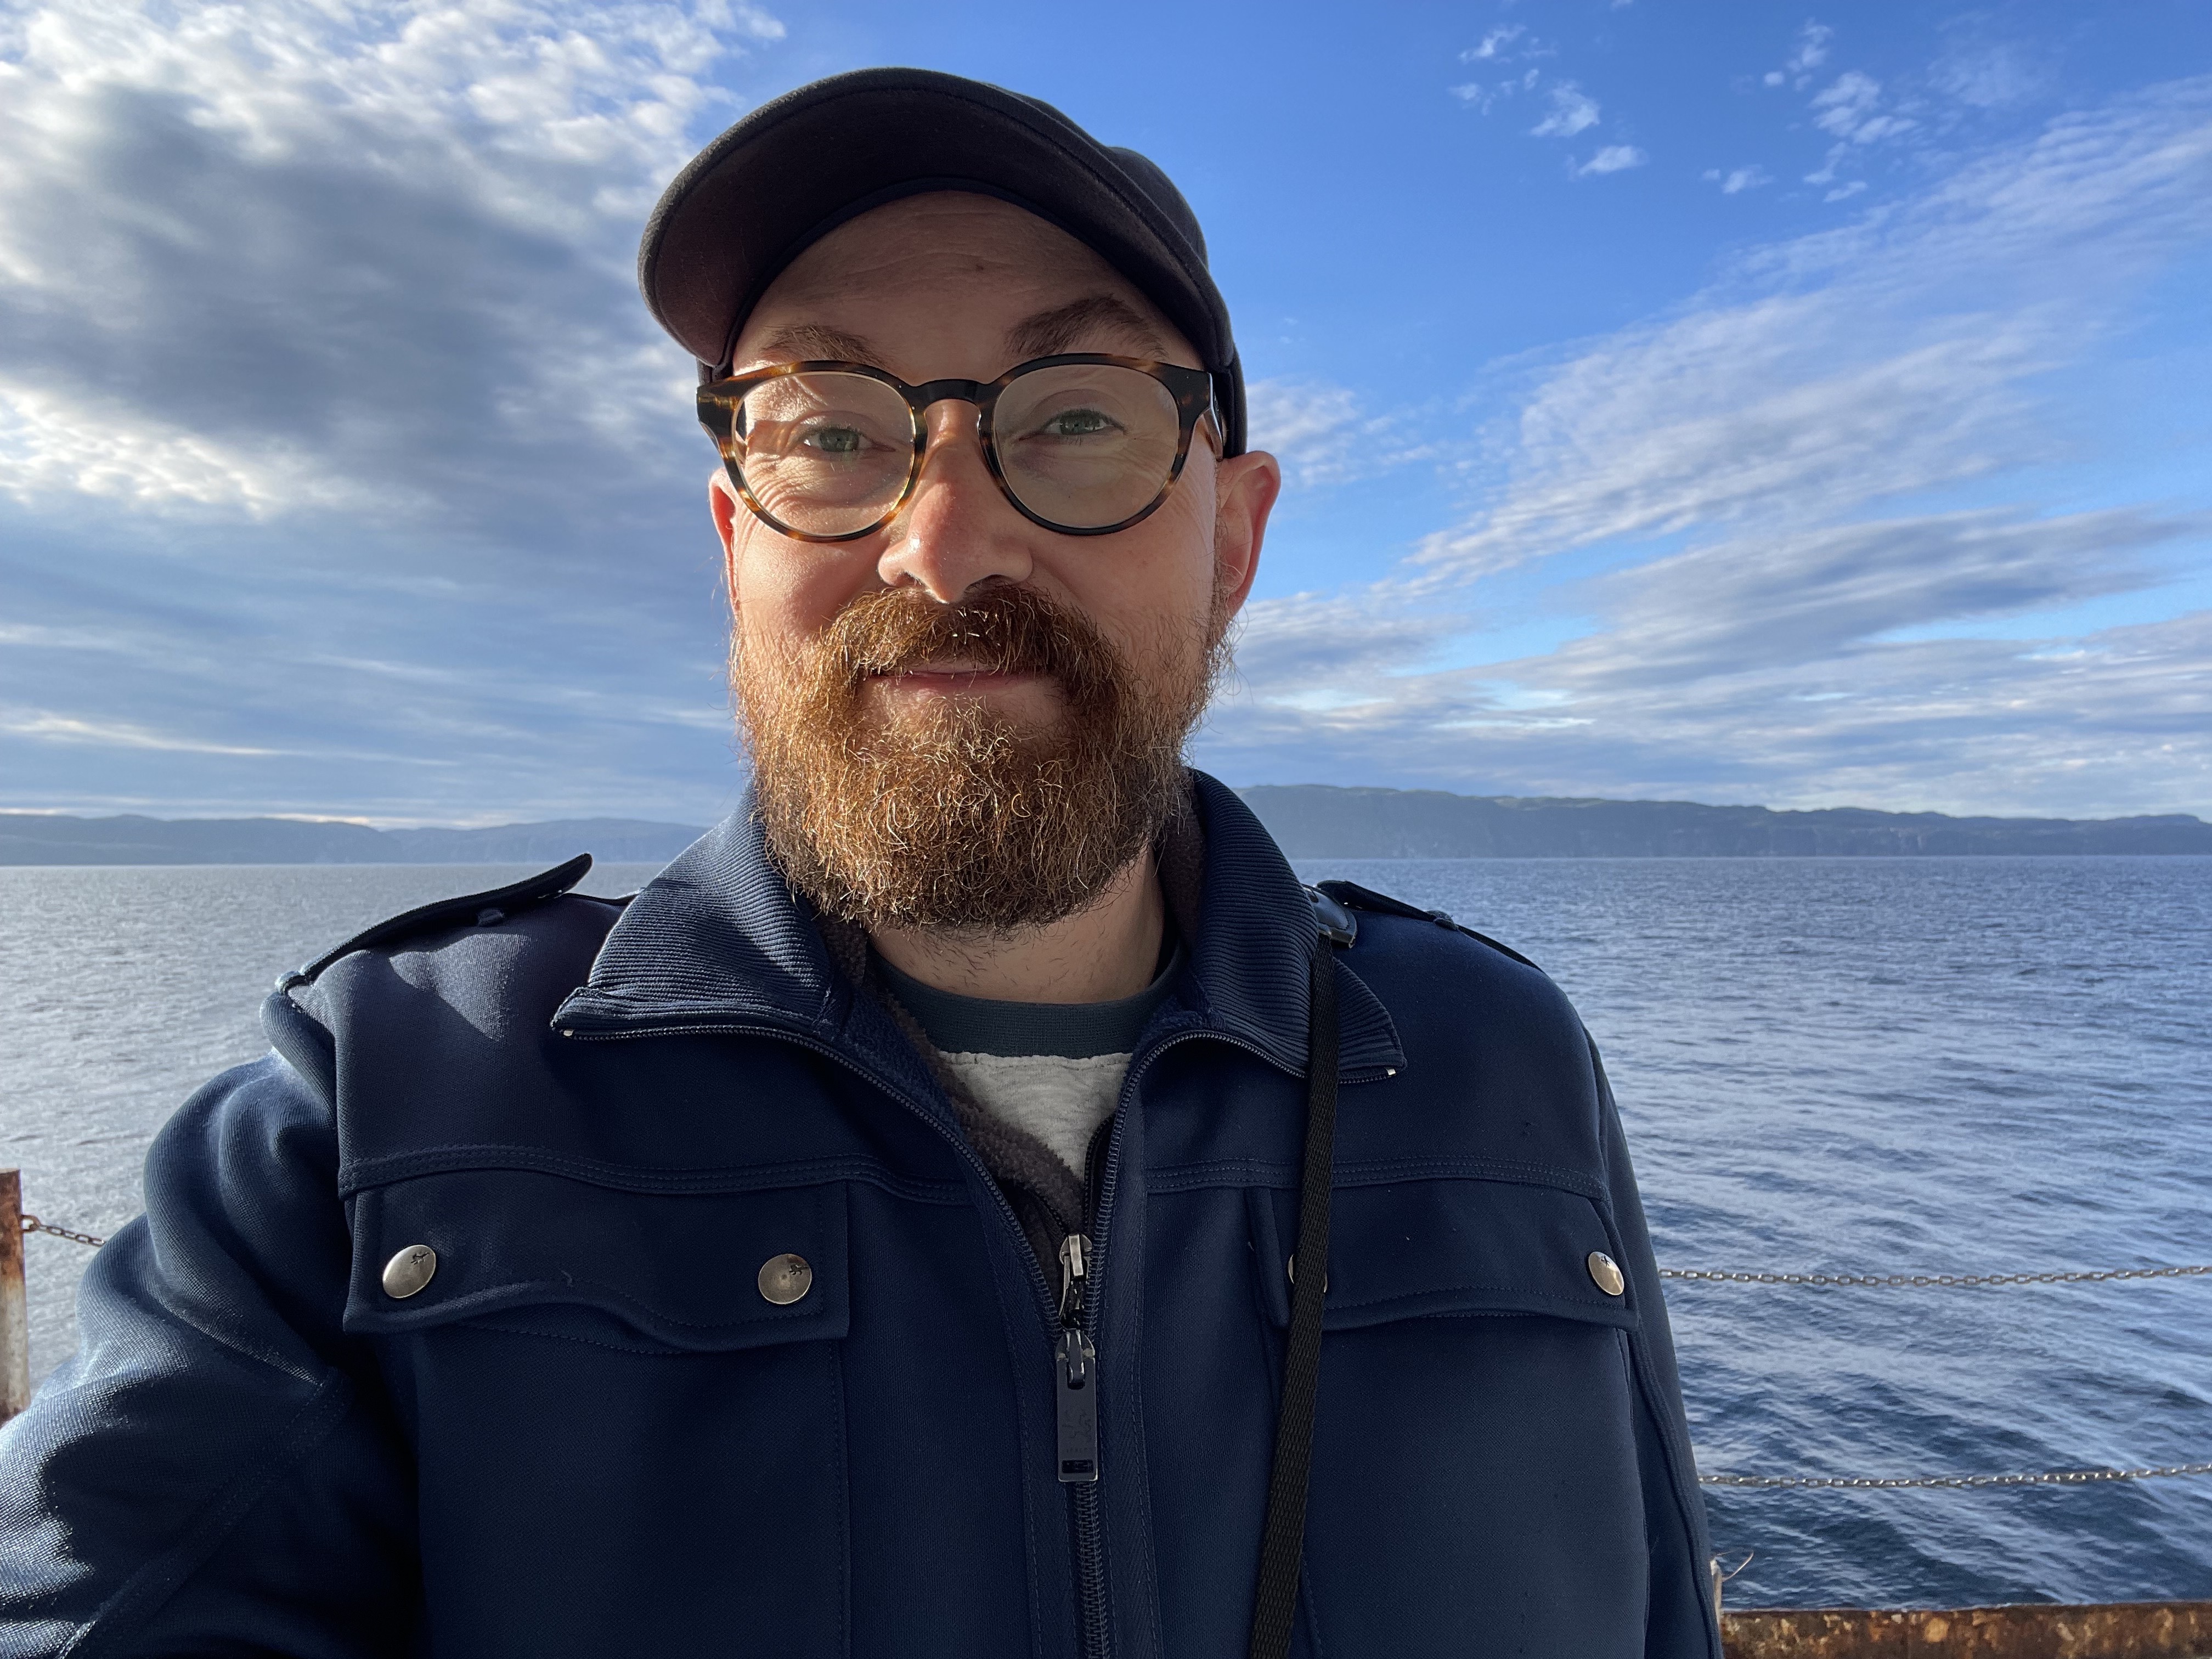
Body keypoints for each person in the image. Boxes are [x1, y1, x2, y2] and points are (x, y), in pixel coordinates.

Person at [0, 68, 1718, 1657]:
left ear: (1237, 539)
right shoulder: (382, 1108)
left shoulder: (1495, 1066)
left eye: (1077, 420)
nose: (947, 538)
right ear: (738, 536)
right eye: (830, 430)